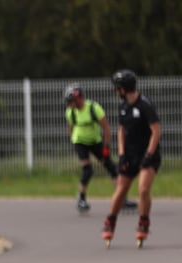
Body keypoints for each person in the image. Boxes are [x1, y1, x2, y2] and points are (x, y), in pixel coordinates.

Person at [102, 69, 161, 248]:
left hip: (147, 155)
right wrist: (121, 154)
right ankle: (110, 221)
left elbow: (156, 131)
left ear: (125, 88)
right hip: (129, 155)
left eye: (118, 88)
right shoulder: (123, 107)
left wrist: (149, 154)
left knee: (143, 190)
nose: (116, 91)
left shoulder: (145, 105)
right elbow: (121, 130)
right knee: (121, 189)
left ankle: (143, 222)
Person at [63, 83, 132, 214]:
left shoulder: (93, 108)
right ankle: (81, 198)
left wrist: (106, 146)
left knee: (111, 168)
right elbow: (71, 127)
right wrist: (74, 141)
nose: (69, 104)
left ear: (78, 98)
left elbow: (106, 127)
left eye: (71, 101)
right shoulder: (70, 112)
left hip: (96, 141)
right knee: (87, 170)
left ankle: (121, 198)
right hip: (80, 142)